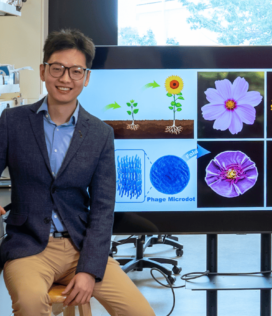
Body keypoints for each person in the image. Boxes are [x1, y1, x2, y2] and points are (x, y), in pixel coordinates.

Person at [0, 29, 155, 316]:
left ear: (86, 77)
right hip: (29, 247)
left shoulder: (100, 134)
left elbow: (102, 207)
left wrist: (88, 270)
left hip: (81, 247)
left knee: (141, 312)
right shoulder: (12, 121)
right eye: (57, 69)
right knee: (31, 304)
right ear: (43, 71)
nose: (65, 78)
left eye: (76, 71)